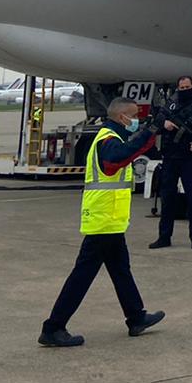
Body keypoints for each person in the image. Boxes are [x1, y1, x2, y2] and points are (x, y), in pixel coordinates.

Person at [39, 99, 164, 348]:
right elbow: (113, 162)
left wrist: (150, 132)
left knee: (120, 270)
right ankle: (53, 327)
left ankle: (136, 317)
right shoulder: (107, 139)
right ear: (122, 118)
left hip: (111, 220)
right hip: (102, 219)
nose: (136, 119)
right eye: (134, 116)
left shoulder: (113, 137)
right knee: (83, 275)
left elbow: (132, 151)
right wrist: (148, 132)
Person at [148, 77, 192, 250]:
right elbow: (155, 125)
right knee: (167, 199)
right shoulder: (170, 105)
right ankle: (164, 237)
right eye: (182, 87)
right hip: (171, 157)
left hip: (191, 159)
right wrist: (165, 124)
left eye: (187, 87)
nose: (184, 89)